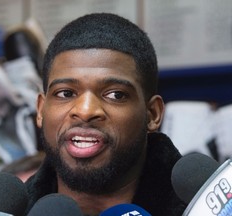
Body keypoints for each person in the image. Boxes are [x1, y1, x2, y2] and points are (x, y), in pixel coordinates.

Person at [25, 13, 187, 215]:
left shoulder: (201, 208)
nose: (85, 111)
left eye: (115, 95)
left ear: (152, 114)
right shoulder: (10, 209)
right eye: (65, 93)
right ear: (40, 110)